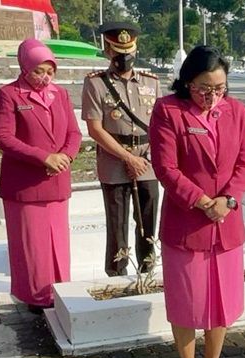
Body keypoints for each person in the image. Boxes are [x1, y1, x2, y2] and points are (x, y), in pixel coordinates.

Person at [149, 46, 245, 358]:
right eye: (203, 89)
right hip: (187, 222)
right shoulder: (168, 111)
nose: (211, 97)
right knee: (186, 300)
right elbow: (165, 167)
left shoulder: (236, 111)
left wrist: (228, 201)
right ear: (187, 83)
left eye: (219, 89)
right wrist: (201, 201)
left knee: (221, 300)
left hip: (226, 222)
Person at [0, 39, 81, 313]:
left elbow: (74, 133)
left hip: (57, 180)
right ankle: (35, 298)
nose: (45, 78)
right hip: (25, 185)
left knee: (57, 243)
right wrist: (44, 157)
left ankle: (59, 290)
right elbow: (3, 136)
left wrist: (65, 155)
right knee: (33, 245)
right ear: (25, 67)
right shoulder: (10, 94)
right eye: (39, 71)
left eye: (50, 72)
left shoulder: (61, 95)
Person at [82, 22, 161, 277]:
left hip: (147, 161)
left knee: (147, 221)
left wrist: (145, 157)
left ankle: (147, 271)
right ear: (107, 50)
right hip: (114, 161)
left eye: (128, 50)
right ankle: (116, 274)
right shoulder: (96, 83)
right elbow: (95, 129)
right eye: (118, 51)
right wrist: (128, 157)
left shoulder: (151, 82)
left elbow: (160, 124)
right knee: (117, 223)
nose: (124, 57)